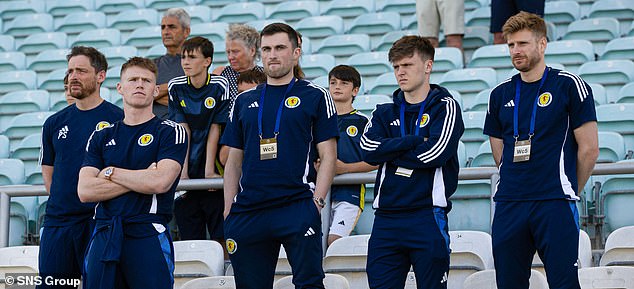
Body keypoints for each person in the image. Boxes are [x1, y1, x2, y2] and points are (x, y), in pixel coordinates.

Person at [483, 12, 598, 289]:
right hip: (510, 204)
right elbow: (499, 151)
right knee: (509, 283)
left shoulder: (569, 85)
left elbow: (590, 149)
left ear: (542, 44)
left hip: (554, 201)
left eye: (522, 43)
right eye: (511, 45)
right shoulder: (499, 94)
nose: (516, 51)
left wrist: (570, 187)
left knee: (564, 283)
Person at [221, 23, 339, 289]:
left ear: (296, 52)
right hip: (248, 210)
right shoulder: (243, 101)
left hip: (297, 206)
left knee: (309, 284)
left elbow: (328, 155)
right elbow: (233, 161)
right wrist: (229, 209)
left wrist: (317, 202)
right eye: (266, 49)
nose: (272, 55)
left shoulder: (316, 96)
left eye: (280, 48)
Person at [361, 35, 465, 289]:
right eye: (396, 67)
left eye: (407, 65)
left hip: (426, 216)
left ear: (428, 66)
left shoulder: (445, 107)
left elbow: (437, 153)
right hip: (386, 219)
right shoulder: (384, 112)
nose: (400, 73)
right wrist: (413, 140)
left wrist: (391, 150)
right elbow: (368, 151)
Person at [78, 57, 187, 289]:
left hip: (148, 232)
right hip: (105, 232)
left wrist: (109, 172)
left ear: (155, 90)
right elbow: (85, 190)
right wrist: (141, 176)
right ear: (120, 87)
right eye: (133, 79)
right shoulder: (101, 136)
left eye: (146, 81)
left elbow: (160, 183)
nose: (139, 85)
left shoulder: (170, 132)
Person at [38, 46, 123, 288]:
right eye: (71, 71)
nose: (73, 76)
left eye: (81, 71)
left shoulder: (118, 120)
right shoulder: (54, 123)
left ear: (100, 76)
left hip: (100, 222)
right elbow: (49, 173)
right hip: (58, 224)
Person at [168, 36, 230, 242]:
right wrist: (183, 174)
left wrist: (208, 171)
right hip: (186, 160)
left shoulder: (220, 84)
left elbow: (216, 127)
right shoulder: (175, 86)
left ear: (207, 61)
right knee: (189, 237)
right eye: (183, 57)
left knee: (221, 234)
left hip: (212, 167)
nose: (185, 62)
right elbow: (181, 129)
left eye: (192, 57)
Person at [326, 65, 377, 246]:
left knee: (334, 241)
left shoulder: (363, 122)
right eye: (333, 83)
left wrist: (345, 169)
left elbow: (376, 161)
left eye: (344, 83)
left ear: (355, 90)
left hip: (350, 195)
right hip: (320, 192)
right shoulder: (319, 120)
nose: (337, 86)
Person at [153, 8, 191, 119]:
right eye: (163, 27)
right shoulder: (151, 65)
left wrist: (155, 94)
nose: (166, 31)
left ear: (186, 32)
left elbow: (191, 102)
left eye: (172, 27)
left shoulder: (195, 63)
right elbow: (142, 96)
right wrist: (176, 86)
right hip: (152, 131)